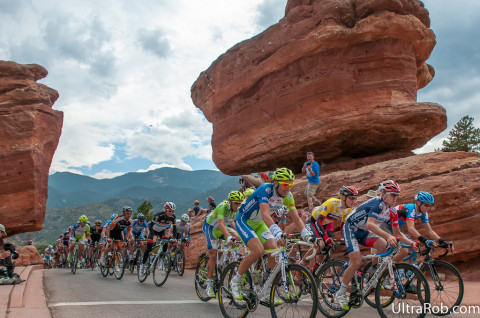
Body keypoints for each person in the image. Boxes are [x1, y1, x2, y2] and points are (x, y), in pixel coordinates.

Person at [230, 167, 313, 304]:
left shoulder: (288, 196)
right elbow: (265, 214)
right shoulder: (265, 190)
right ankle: (236, 280)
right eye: (286, 184)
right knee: (258, 250)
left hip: (260, 224)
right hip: (244, 220)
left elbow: (297, 219)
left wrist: (307, 235)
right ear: (276, 183)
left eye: (291, 185)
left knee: (274, 251)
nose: (288, 188)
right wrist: (277, 232)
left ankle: (266, 289)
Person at [335, 180, 414, 310]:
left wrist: (411, 243)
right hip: (351, 228)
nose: (396, 198)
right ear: (383, 194)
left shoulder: (392, 211)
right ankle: (341, 292)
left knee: (383, 245)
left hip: (363, 231)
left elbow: (397, 232)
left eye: (397, 195)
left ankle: (373, 271)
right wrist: (388, 236)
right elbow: (371, 224)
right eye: (393, 195)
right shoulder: (377, 203)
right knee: (356, 262)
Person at [301, 186, 359, 272]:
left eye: (355, 198)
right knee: (319, 244)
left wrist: (346, 239)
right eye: (351, 198)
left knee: (328, 247)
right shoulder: (332, 203)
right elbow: (318, 222)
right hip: (314, 222)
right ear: (343, 197)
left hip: (325, 224)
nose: (354, 201)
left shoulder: (348, 210)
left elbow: (343, 226)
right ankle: (301, 264)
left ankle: (315, 272)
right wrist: (325, 238)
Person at [202, 191, 243, 298]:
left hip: (222, 227)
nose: (238, 206)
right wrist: (229, 237)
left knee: (238, 238)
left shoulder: (235, 209)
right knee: (213, 255)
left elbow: (231, 222)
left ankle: (225, 261)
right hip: (211, 228)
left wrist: (238, 234)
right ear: (230, 202)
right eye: (236, 203)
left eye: (240, 203)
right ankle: (209, 284)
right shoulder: (222, 207)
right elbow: (220, 224)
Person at [139, 202, 177, 276]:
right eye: (170, 211)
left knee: (166, 242)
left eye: (173, 211)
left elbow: (175, 228)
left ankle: (161, 259)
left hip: (161, 232)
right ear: (165, 210)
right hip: (153, 231)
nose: (171, 213)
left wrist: (175, 238)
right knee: (149, 249)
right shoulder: (159, 215)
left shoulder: (173, 217)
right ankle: (142, 267)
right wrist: (153, 235)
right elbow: (150, 226)